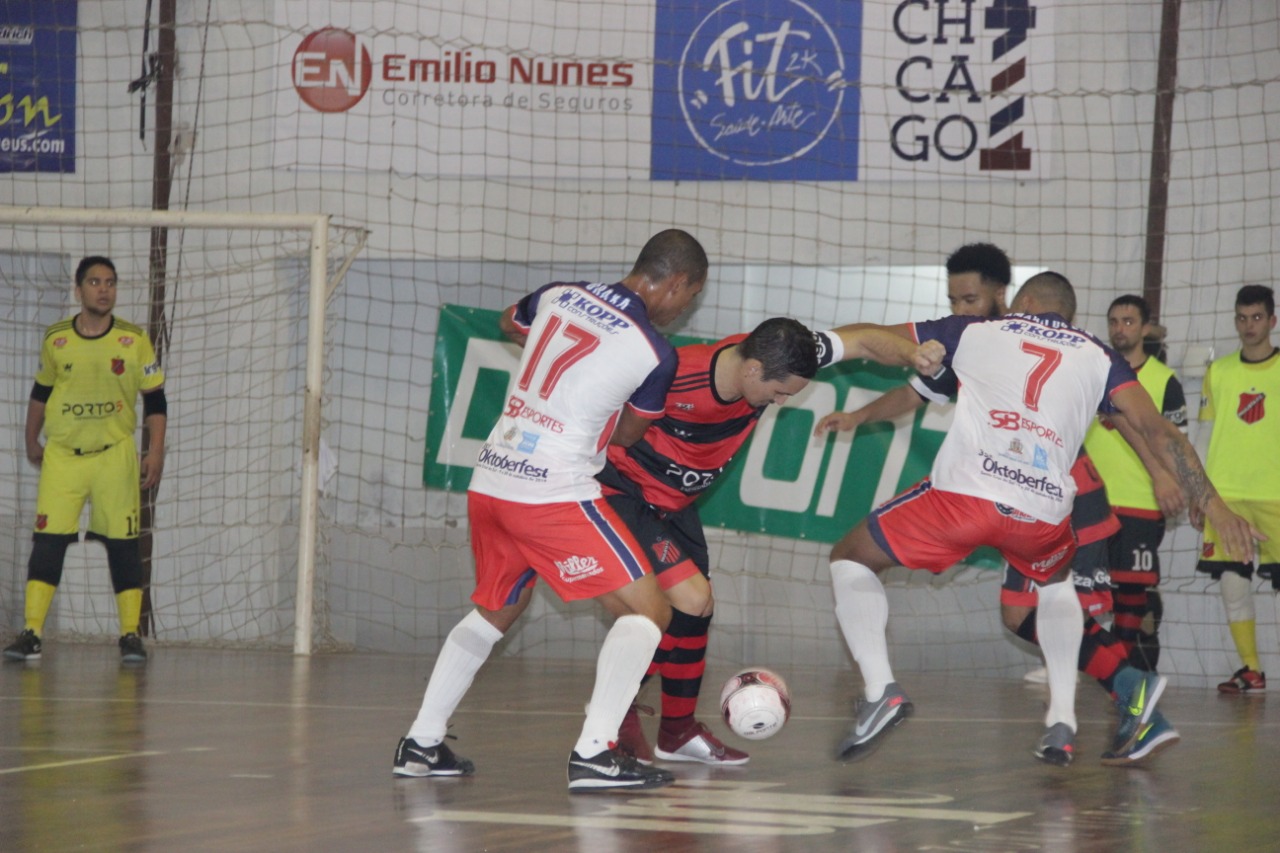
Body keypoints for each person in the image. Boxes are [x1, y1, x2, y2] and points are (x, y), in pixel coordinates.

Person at [822, 272, 1260, 768]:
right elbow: (1153, 429)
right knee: (1043, 596)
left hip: (975, 496)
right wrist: (1216, 504)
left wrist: (818, 344)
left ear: (1019, 300)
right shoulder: (1098, 356)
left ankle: (882, 690)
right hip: (1048, 512)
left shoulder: (972, 333)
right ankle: (1068, 718)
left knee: (850, 557)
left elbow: (873, 341)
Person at [392, 229, 708, 793]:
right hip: (552, 492)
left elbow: (508, 321)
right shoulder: (656, 352)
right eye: (687, 300)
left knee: (498, 609)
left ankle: (421, 741)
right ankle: (595, 753)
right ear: (677, 282)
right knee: (648, 613)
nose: (682, 311)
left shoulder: (562, 293)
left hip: (492, 477)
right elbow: (628, 435)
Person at [600, 317, 941, 766]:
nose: (780, 402)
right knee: (687, 599)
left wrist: (911, 355)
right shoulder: (676, 373)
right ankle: (612, 716)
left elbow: (861, 341)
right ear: (752, 370)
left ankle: (677, 732)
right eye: (779, 393)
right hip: (625, 492)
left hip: (677, 504)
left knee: (700, 611)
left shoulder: (785, 350)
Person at [3, 256, 167, 664]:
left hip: (114, 456)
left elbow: (156, 399)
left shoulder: (133, 338)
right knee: (48, 540)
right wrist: (30, 440)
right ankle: (32, 633)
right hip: (63, 457)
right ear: (79, 290)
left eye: (110, 282)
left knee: (124, 544)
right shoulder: (56, 337)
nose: (103, 289)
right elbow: (40, 392)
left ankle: (130, 635)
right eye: (94, 281)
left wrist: (156, 449)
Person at [1083, 295, 1187, 671]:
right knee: (1083, 588)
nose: (1119, 329)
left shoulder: (1164, 381)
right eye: (1113, 321)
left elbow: (1176, 445)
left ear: (1145, 328)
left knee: (1131, 590)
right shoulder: (1094, 372)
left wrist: (1170, 484)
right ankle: (1079, 662)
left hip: (1141, 502)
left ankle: (1121, 668)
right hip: (1092, 502)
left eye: (1128, 321)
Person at [1197, 284, 1280, 694]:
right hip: (1226, 497)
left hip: (1276, 496)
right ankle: (1250, 669)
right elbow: (1204, 434)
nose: (1249, 326)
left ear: (1272, 321)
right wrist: (1201, 493)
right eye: (1242, 318)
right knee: (1233, 583)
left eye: (1257, 318)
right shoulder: (1220, 371)